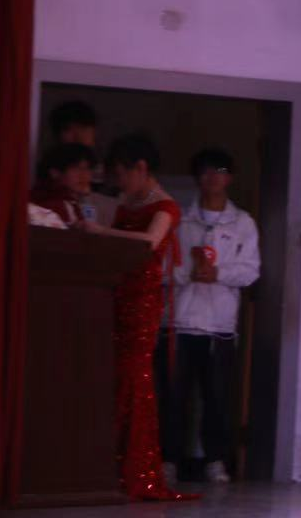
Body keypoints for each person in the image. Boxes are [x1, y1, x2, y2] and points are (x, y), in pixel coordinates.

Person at [81, 134, 198, 502]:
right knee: (115, 379)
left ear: (141, 168)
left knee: (135, 380)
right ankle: (111, 465)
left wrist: (101, 231)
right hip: (116, 296)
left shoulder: (166, 206)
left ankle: (136, 470)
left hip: (142, 302)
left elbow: (149, 242)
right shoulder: (127, 201)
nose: (119, 182)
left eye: (121, 174)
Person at [160, 148, 260, 485]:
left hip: (219, 326)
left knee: (216, 397)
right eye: (205, 171)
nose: (212, 177)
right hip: (180, 321)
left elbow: (250, 271)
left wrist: (218, 273)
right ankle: (169, 459)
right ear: (197, 177)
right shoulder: (179, 219)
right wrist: (187, 273)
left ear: (229, 177)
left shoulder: (243, 223)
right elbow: (162, 267)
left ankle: (216, 460)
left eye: (219, 170)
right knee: (174, 396)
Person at [48, 99, 117, 224]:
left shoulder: (110, 168)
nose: (77, 135)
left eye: (83, 128)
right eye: (69, 129)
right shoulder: (50, 201)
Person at [30, 142, 93, 225]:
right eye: (76, 168)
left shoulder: (72, 203)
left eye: (87, 168)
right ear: (55, 172)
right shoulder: (53, 205)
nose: (84, 175)